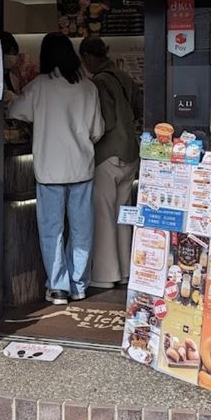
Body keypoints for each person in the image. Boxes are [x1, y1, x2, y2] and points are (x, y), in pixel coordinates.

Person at [8, 32, 104, 305]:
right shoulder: (88, 87)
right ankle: (79, 284)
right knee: (82, 229)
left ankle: (58, 287)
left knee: (52, 229)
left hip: (49, 169)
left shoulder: (39, 87)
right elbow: (97, 131)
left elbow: (14, 111)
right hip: (81, 168)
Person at [79, 37, 143, 289]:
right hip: (130, 153)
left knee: (104, 214)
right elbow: (138, 108)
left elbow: (101, 123)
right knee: (122, 214)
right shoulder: (123, 77)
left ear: (88, 57)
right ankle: (126, 271)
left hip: (107, 155)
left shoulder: (99, 82)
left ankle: (106, 275)